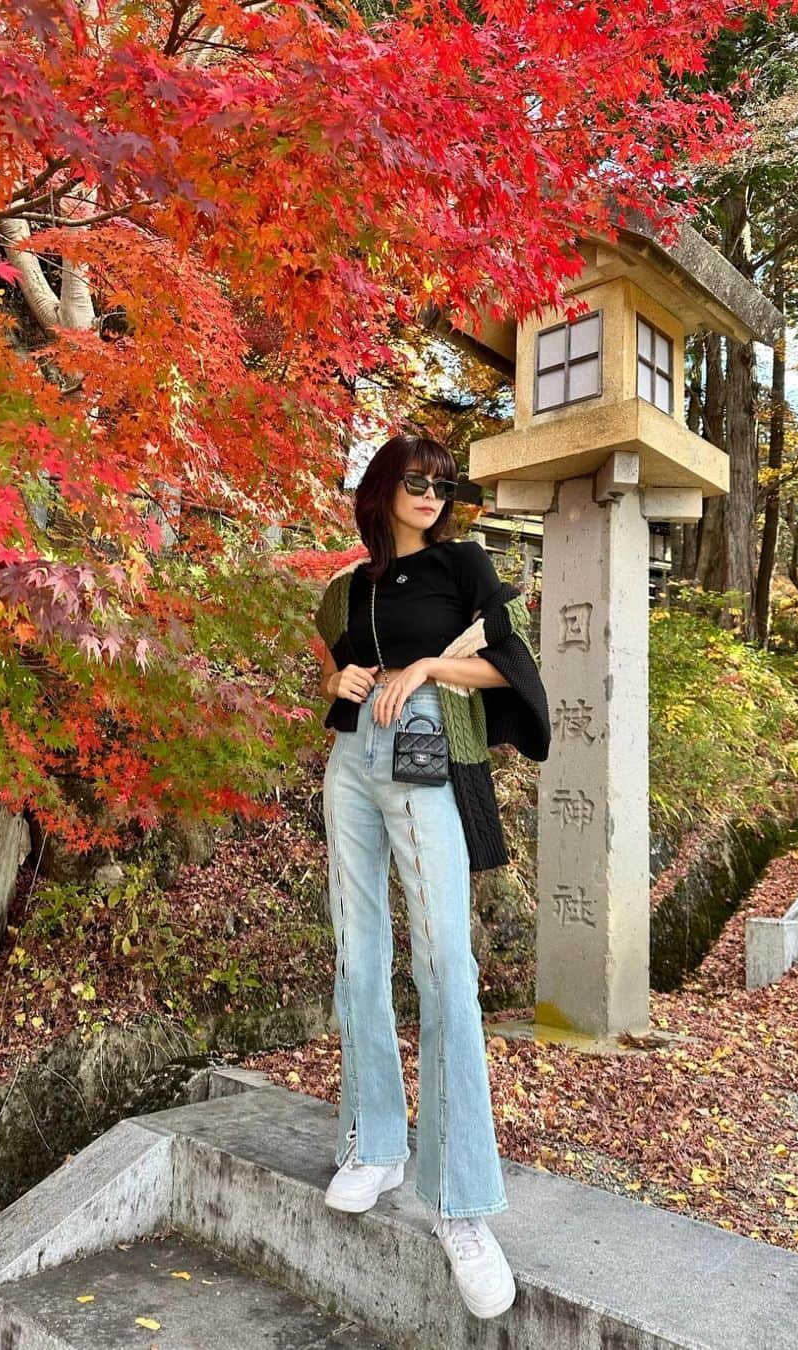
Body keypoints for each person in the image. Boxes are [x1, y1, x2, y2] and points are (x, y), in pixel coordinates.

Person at [313, 433, 550, 1322]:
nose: (432, 493)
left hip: (426, 765)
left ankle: (461, 1202)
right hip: (352, 764)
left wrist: (423, 667)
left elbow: (509, 664)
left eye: (444, 484)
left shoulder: (464, 566)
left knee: (447, 964)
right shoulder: (360, 582)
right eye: (417, 480)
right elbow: (340, 675)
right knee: (358, 952)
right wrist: (342, 675)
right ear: (384, 486)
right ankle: (374, 1141)